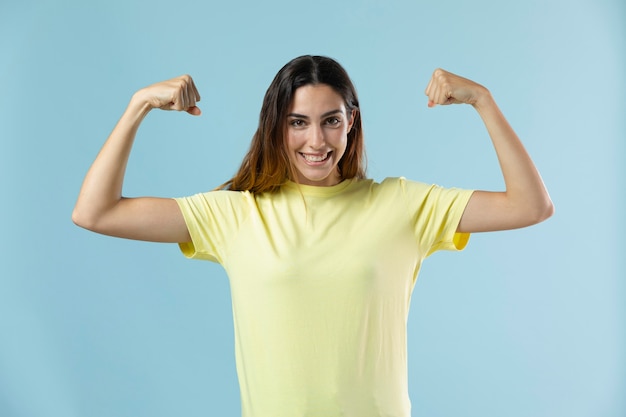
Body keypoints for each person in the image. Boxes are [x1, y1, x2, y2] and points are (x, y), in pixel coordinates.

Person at [72, 55, 554, 417]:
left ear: (351, 122)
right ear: (275, 128)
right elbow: (96, 213)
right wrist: (138, 106)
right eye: (297, 123)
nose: (316, 142)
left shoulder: (404, 205)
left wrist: (483, 101)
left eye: (331, 121)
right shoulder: (237, 213)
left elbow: (530, 206)